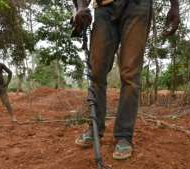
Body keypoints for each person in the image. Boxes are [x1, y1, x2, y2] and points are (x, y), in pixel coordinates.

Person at [72, 0, 180, 160]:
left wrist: (174, 5)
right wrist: (81, 7)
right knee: (96, 72)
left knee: (130, 73)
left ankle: (124, 135)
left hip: (138, 6)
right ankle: (95, 128)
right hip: (104, 8)